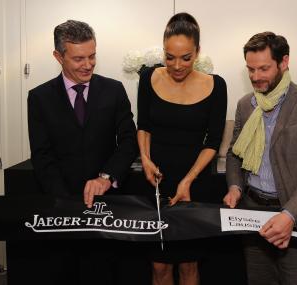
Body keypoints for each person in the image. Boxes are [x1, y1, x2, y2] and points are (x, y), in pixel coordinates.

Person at [24, 20, 137, 285]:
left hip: (108, 207)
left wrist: (106, 177)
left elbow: (129, 141)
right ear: (58, 56)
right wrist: (67, 203)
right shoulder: (39, 98)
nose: (88, 64)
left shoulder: (114, 90)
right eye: (78, 58)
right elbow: (42, 155)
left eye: (92, 56)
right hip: (61, 209)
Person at [223, 32, 297, 285]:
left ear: (284, 62)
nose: (255, 77)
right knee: (259, 279)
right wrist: (235, 185)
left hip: (295, 213)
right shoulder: (245, 105)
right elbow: (234, 152)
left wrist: (290, 215)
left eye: (263, 68)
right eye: (250, 69)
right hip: (252, 211)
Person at [137, 12, 227, 285]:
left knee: (189, 265)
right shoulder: (148, 78)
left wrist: (189, 180)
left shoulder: (216, 85)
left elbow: (212, 141)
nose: (177, 65)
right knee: (159, 266)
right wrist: (145, 159)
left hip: (195, 183)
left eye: (185, 57)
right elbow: (143, 125)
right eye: (170, 56)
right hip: (155, 181)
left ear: (198, 52)